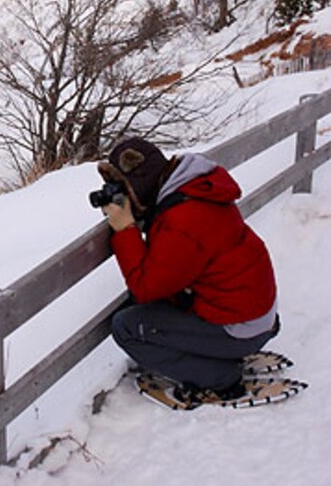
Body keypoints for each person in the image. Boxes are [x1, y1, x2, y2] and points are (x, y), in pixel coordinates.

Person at [100, 136, 279, 405]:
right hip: (254, 314)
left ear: (139, 186)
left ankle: (220, 376)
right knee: (154, 308)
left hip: (240, 327)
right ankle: (216, 351)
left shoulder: (183, 220)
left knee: (126, 326)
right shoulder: (193, 190)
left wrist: (125, 229)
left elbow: (146, 287)